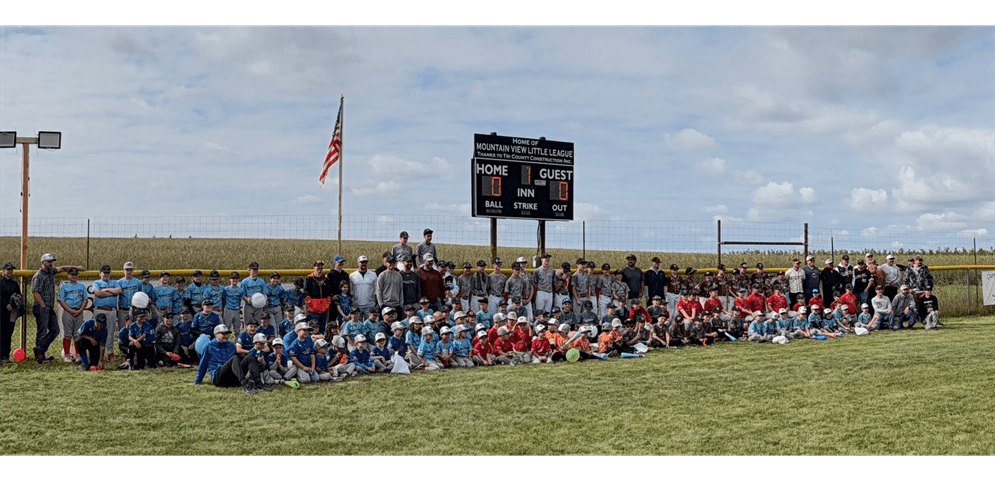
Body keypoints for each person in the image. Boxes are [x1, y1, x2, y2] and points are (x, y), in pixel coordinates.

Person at [195, 324, 265, 394]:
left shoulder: (231, 345)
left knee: (249, 357)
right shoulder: (209, 347)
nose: (226, 336)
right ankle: (245, 385)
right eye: (223, 334)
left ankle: (259, 384)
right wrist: (197, 381)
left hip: (232, 376)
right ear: (216, 334)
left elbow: (238, 361)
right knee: (234, 358)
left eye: (227, 334)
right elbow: (203, 365)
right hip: (218, 377)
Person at [91, 265, 123, 362]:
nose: (106, 274)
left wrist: (105, 290)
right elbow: (98, 293)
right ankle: (96, 354)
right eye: (104, 272)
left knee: (110, 333)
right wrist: (111, 292)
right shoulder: (97, 282)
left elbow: (119, 291)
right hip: (99, 310)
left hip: (111, 310)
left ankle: (110, 353)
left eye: (108, 273)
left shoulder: (114, 282)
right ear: (100, 273)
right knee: (97, 332)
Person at [57, 266, 88, 362]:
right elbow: (61, 301)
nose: (74, 276)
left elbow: (85, 299)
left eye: (75, 274)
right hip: (68, 311)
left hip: (79, 311)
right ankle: (67, 355)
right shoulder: (64, 287)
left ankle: (77, 354)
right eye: (72, 274)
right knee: (67, 334)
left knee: (77, 334)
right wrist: (70, 310)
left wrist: (80, 310)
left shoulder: (81, 286)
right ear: (68, 275)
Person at [1, 262, 22, 363]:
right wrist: (6, 304)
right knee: (1, 333)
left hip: (11, 312)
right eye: (8, 270)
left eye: (11, 270)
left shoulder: (15, 284)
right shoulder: (0, 282)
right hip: (1, 311)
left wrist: (14, 307)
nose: (10, 272)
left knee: (8, 334)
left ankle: (6, 356)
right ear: (3, 271)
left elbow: (18, 297)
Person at [238, 262, 266, 327]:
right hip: (249, 305)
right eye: (253, 269)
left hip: (259, 306)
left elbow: (265, 293)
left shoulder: (261, 281)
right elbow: (242, 294)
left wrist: (264, 301)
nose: (255, 271)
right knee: (248, 324)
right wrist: (246, 299)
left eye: (256, 269)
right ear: (249, 270)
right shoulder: (244, 282)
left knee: (258, 325)